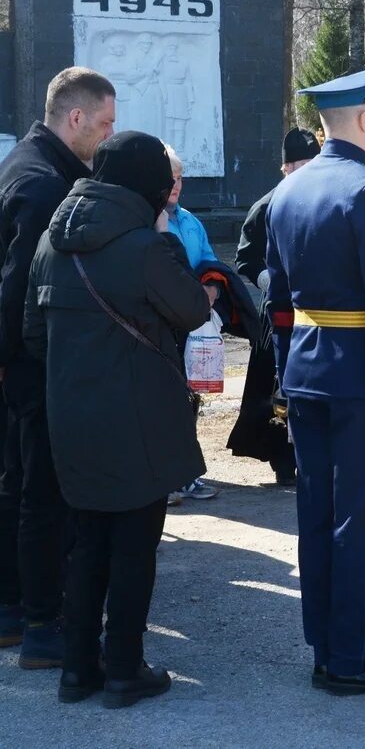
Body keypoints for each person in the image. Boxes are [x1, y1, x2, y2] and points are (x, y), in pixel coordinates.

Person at [24, 131, 210, 707]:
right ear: (149, 187)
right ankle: (125, 668)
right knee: (132, 548)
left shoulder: (52, 243)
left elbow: (33, 336)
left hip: (70, 418)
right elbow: (194, 308)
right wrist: (167, 244)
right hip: (138, 423)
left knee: (84, 545)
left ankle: (78, 670)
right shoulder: (146, 247)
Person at [266, 64, 365, 696]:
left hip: (306, 371)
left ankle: (326, 647)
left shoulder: (287, 192)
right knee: (361, 520)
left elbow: (276, 297)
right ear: (364, 117)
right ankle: (355, 656)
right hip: (361, 381)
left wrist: (285, 371)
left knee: (317, 513)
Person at [0, 67, 115, 670]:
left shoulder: (29, 163)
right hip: (34, 367)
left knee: (21, 489)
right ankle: (40, 623)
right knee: (41, 496)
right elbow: (17, 289)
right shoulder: (45, 185)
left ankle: (17, 607)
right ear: (75, 118)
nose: (107, 136)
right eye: (104, 124)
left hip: (22, 365)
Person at [229, 128, 322, 486]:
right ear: (285, 167)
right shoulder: (265, 206)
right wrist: (268, 279)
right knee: (275, 388)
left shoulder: (324, 201)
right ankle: (282, 459)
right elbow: (245, 259)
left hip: (318, 311)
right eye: (300, 164)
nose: (307, 171)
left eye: (313, 163)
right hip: (279, 313)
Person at [163, 145, 220, 504]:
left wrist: (212, 289)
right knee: (167, 401)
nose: (176, 184)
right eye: (170, 178)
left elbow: (211, 261)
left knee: (191, 399)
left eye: (181, 177)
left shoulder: (190, 221)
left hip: (194, 323)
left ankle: (186, 474)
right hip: (164, 326)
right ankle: (168, 476)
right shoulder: (149, 221)